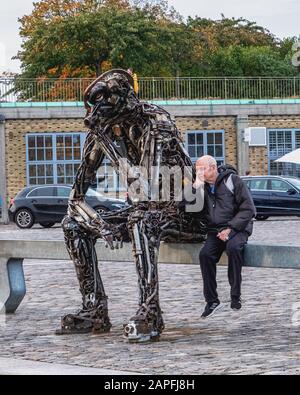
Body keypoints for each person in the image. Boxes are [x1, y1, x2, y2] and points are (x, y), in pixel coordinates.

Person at [195, 155, 256, 318]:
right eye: (197, 170)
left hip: (237, 228)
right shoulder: (202, 186)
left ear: (213, 168)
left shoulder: (232, 180)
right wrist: (194, 187)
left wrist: (230, 228)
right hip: (215, 230)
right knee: (205, 255)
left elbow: (249, 209)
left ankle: (235, 296)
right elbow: (185, 207)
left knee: (234, 248)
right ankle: (212, 301)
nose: (199, 172)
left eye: (202, 169)